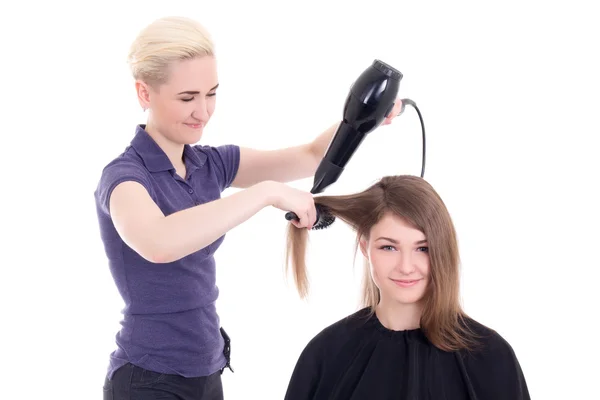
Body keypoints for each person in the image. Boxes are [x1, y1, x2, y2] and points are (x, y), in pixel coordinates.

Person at [95, 16, 404, 400]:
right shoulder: (124, 178)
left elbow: (309, 156)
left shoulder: (209, 165)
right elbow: (159, 241)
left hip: (206, 370)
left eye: (211, 93)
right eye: (187, 98)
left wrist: (361, 123)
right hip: (148, 379)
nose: (203, 111)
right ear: (145, 94)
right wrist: (264, 194)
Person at [283, 175, 530, 400]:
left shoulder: (491, 357)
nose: (406, 266)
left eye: (423, 248)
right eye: (389, 247)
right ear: (364, 246)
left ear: (443, 251)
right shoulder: (327, 355)